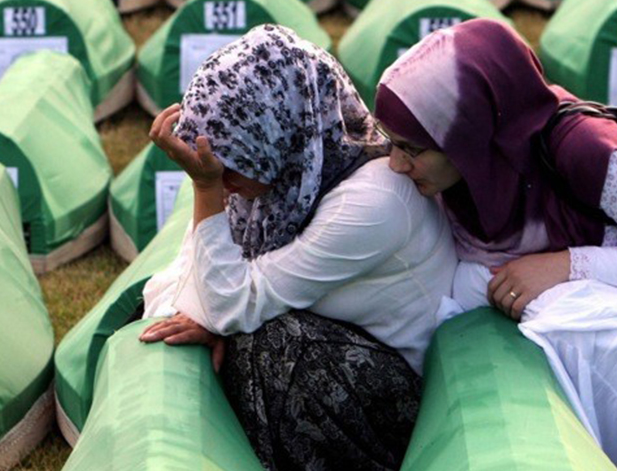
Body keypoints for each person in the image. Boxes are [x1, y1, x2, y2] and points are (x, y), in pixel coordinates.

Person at [373, 19, 617, 471]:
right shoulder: (472, 174)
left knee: (571, 323)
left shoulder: (589, 151)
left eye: (411, 148)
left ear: (467, 133)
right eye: (391, 143)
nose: (394, 164)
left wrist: (566, 265)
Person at [139, 25, 457, 471]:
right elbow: (176, 283)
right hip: (349, 361)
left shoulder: (373, 202)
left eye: (232, 166)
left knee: (274, 343)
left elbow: (226, 304)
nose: (226, 184)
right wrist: (213, 315)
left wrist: (206, 188)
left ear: (277, 134)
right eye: (211, 166)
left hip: (408, 401)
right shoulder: (282, 188)